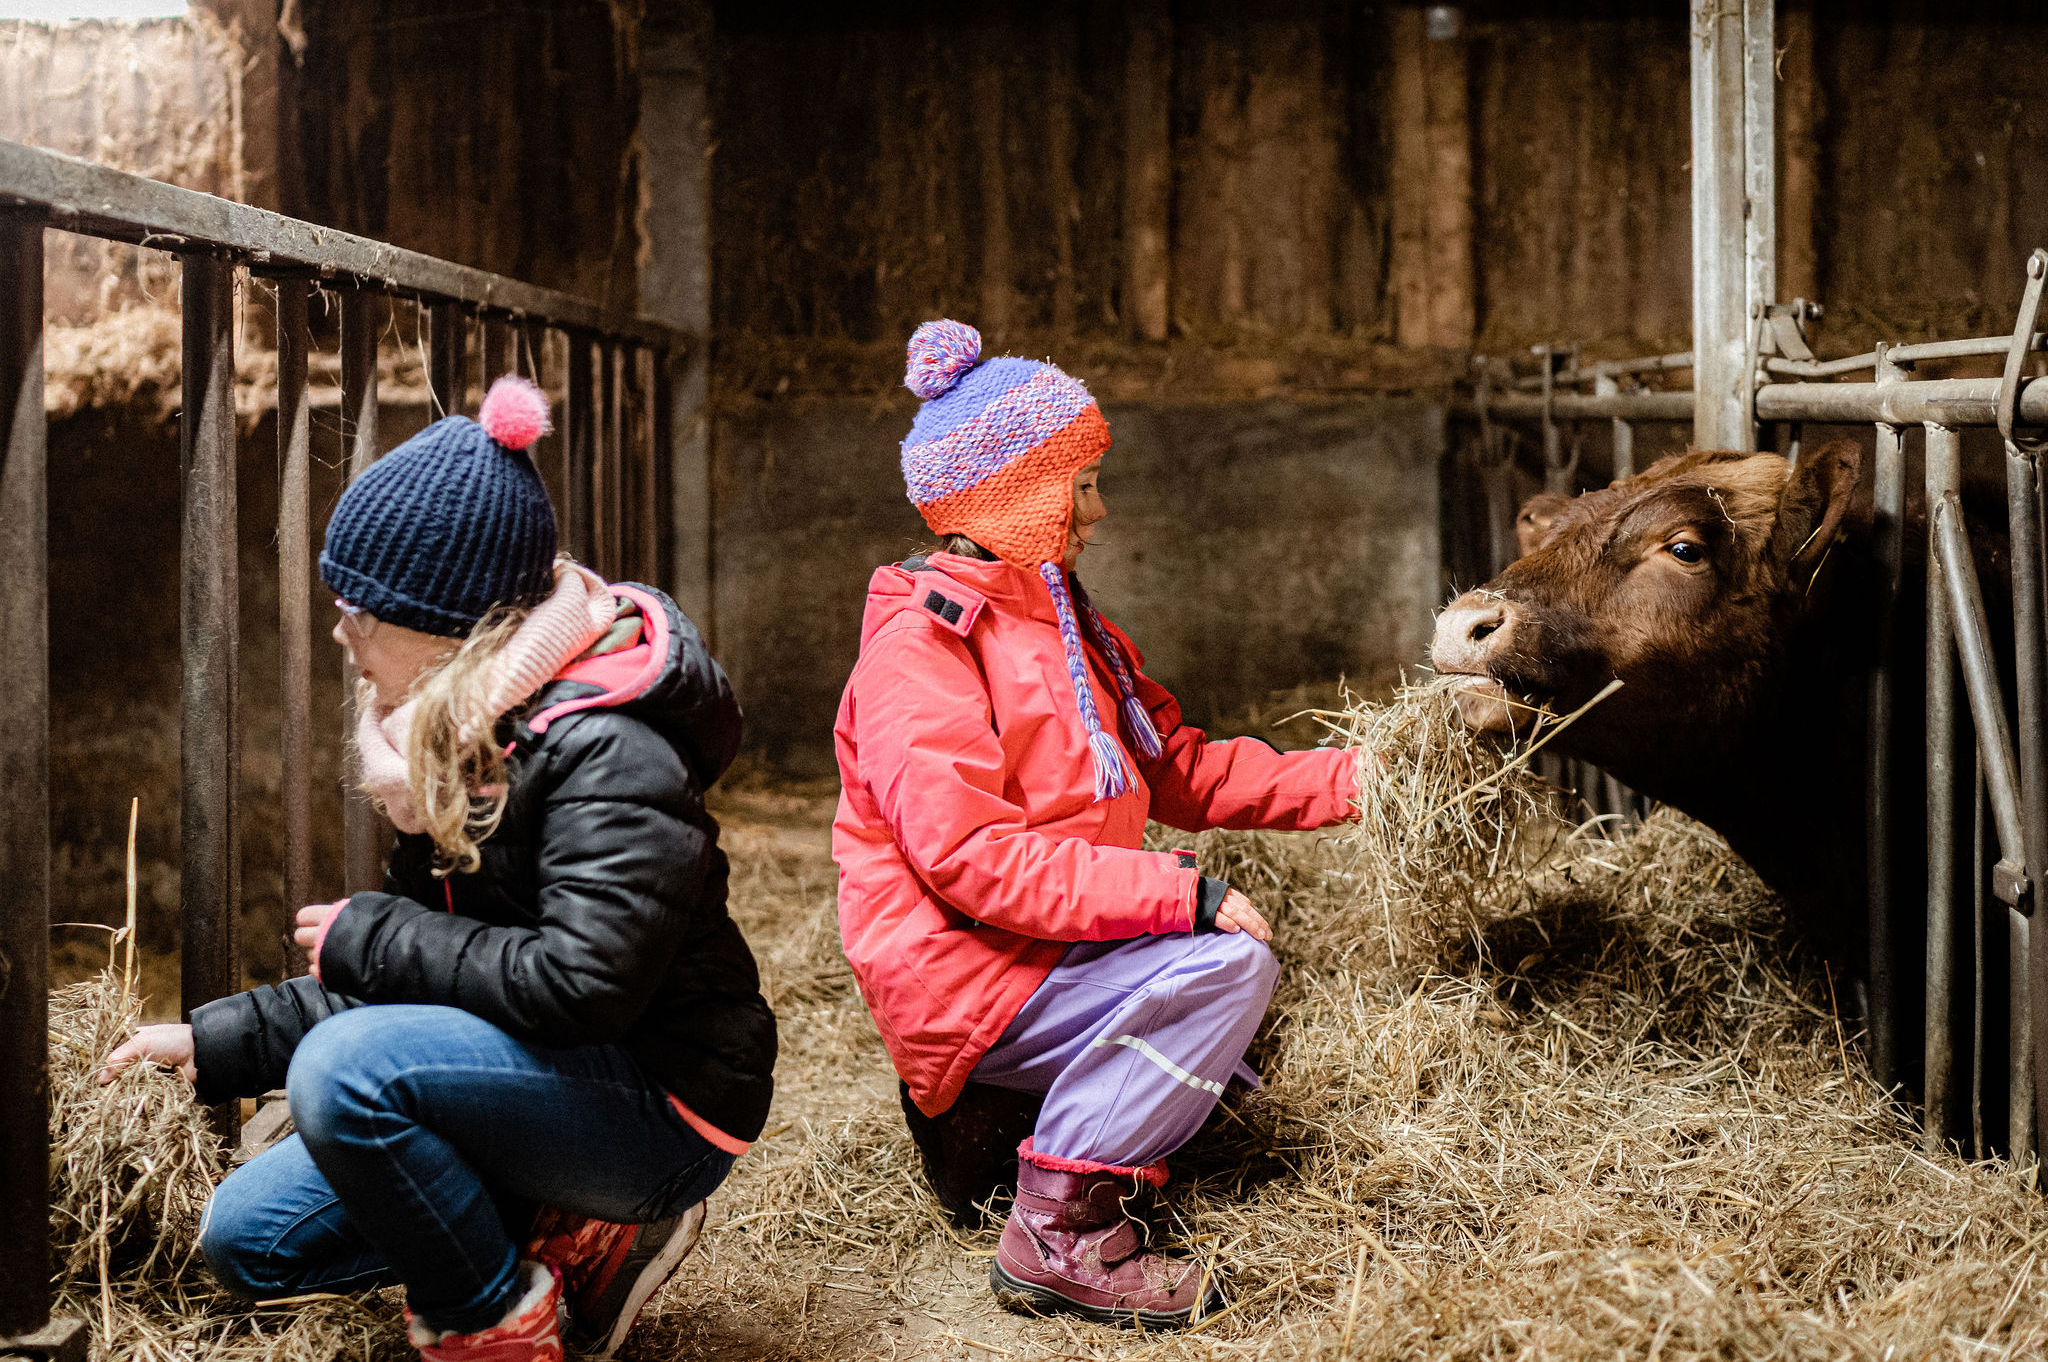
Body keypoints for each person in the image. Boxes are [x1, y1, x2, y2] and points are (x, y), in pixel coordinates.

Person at [102, 377, 777, 1362]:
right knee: (248, 1239)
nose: (341, 633)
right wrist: (215, 1041)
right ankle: (561, 1234)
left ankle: (498, 1321)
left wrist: (378, 935)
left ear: (450, 624)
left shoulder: (609, 749)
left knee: (344, 1074)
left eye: (361, 611)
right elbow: (412, 983)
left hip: (656, 1104)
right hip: (526, 1076)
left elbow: (581, 983)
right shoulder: (447, 738)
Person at [832, 320, 1360, 1329]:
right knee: (1230, 967)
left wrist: (1356, 781)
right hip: (975, 975)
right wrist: (1181, 893)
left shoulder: (1060, 620)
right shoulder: (923, 650)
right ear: (1016, 495)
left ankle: (1048, 1124)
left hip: (1040, 948)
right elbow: (971, 859)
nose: (1098, 510)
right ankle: (1059, 1231)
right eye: (1080, 485)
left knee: (1226, 1018)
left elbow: (1176, 767)